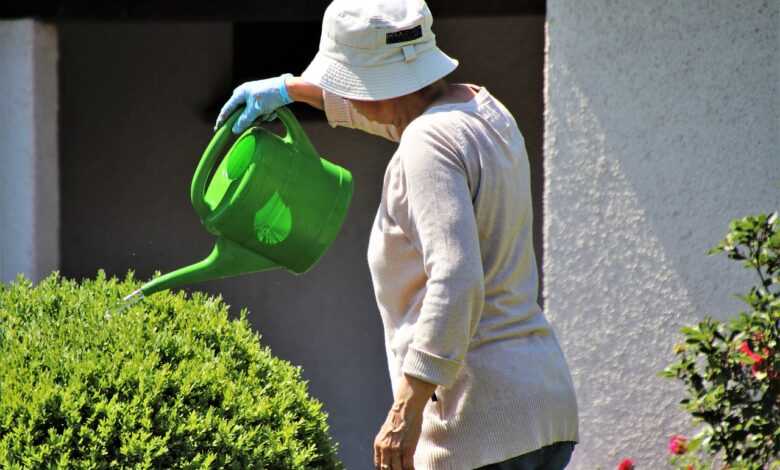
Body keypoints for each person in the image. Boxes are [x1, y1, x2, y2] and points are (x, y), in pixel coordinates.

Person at [214, 1, 580, 469]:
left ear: (369, 84)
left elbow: (456, 280)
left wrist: (404, 413)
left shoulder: (425, 145)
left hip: (477, 420)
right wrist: (293, 90)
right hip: (541, 406)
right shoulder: (483, 110)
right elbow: (399, 114)